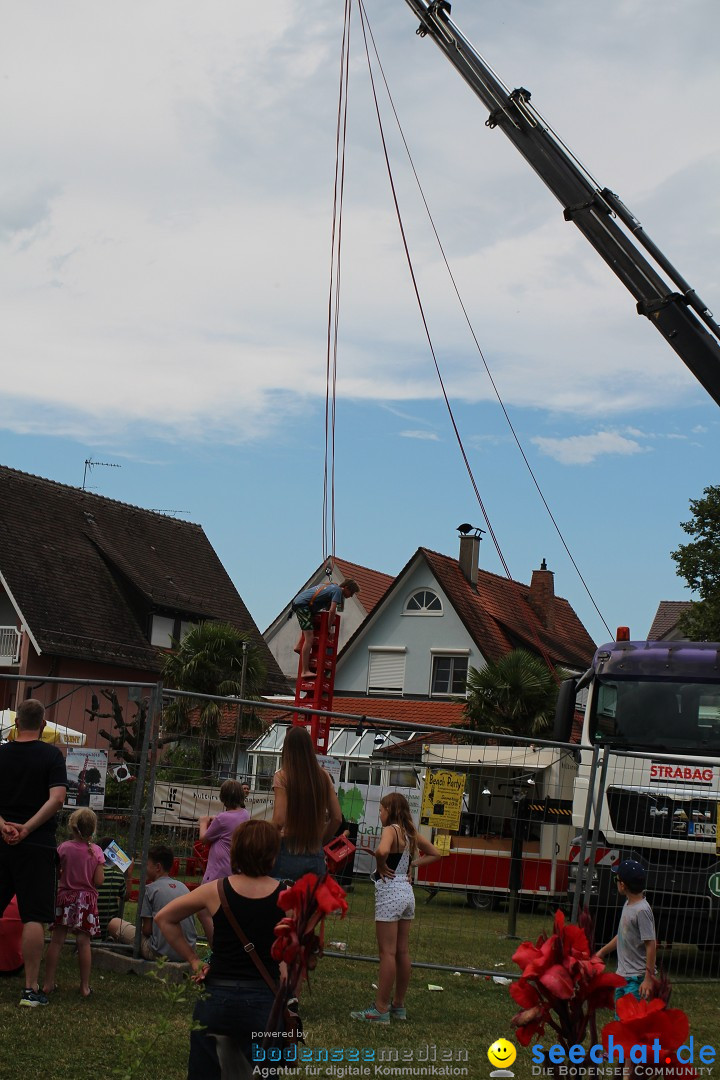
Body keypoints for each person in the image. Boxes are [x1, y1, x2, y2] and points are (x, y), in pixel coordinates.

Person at [155, 819, 285, 1080]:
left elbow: (164, 918)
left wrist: (194, 960)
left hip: (216, 996)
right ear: (273, 855)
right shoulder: (287, 895)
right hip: (263, 998)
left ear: (235, 852)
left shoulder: (215, 890)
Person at [351, 792, 441, 1024]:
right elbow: (435, 853)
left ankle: (380, 1008)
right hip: (406, 893)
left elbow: (382, 851)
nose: (379, 814)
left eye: (381, 810)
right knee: (402, 951)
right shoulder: (410, 833)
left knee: (387, 953)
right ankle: (398, 1005)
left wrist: (380, 864)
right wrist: (413, 863)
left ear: (389, 811)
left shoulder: (390, 830)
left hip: (390, 893)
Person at [0, 698, 67, 1007]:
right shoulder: (52, 756)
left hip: (1, 840)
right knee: (33, 917)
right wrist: (26, 828)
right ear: (43, 725)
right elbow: (57, 799)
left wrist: (4, 825)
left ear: (16, 724)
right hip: (37, 843)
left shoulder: (1, 753)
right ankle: (30, 989)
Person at [43, 808, 104, 998]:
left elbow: (57, 871)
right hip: (86, 900)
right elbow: (99, 881)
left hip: (64, 897)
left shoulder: (64, 848)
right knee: (84, 943)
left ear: (72, 826)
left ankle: (47, 984)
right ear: (93, 829)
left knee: (56, 941)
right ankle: (84, 987)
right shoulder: (96, 851)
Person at [271, 726, 342, 880]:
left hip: (287, 850)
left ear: (287, 749)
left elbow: (278, 820)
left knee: (283, 901)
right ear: (310, 748)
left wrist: (267, 845)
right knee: (311, 903)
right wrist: (320, 841)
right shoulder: (323, 776)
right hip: (314, 851)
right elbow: (337, 817)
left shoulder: (282, 776)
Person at [107, 845, 197, 961]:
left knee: (114, 923)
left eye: (146, 865)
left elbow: (147, 931)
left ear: (158, 867)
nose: (143, 868)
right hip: (187, 953)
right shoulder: (183, 887)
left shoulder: (150, 890)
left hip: (160, 954)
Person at [595, 859, 656, 1009]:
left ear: (622, 885)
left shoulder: (642, 911)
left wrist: (648, 979)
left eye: (616, 879)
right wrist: (602, 952)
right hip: (622, 976)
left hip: (637, 979)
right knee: (620, 1018)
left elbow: (651, 944)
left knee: (632, 1020)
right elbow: (622, 935)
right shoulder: (628, 904)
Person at [196, 780, 250, 944]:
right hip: (234, 870)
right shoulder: (244, 815)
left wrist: (203, 822)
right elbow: (227, 822)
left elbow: (204, 839)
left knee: (202, 909)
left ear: (223, 798)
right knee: (226, 911)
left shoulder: (222, 819)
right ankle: (228, 944)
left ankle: (216, 949)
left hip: (217, 871)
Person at [292, 579, 359, 677]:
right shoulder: (338, 591)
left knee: (309, 626)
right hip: (303, 605)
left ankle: (299, 647)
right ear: (346, 588)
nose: (351, 596)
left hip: (302, 604)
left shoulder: (332, 587)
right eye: (351, 593)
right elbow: (332, 611)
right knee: (309, 638)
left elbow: (327, 610)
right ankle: (305, 671)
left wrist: (330, 627)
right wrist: (329, 629)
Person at [96, 836, 134, 940]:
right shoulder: (117, 876)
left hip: (91, 926)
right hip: (110, 928)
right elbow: (126, 897)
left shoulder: (90, 874)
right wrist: (129, 874)